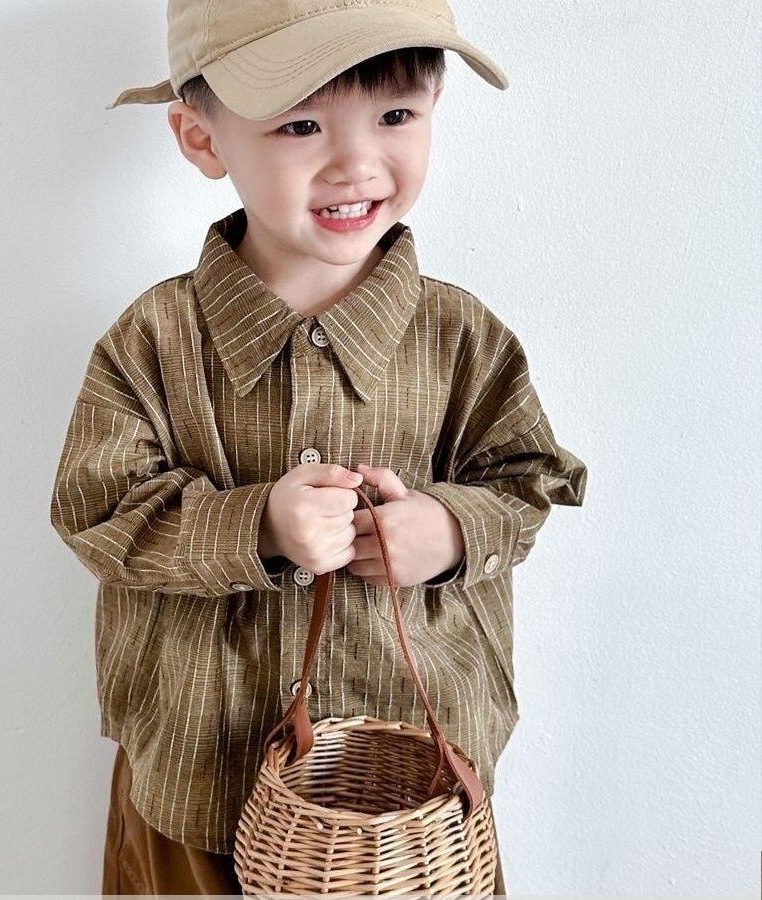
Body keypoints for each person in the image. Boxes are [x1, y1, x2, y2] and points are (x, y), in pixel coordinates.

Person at [49, 1, 588, 894]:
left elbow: (530, 479)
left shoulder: (462, 337)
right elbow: (96, 508)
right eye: (301, 124)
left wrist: (451, 531)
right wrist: (254, 525)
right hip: (198, 784)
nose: (358, 163)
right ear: (201, 138)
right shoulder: (154, 340)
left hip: (415, 813)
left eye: (396, 114)